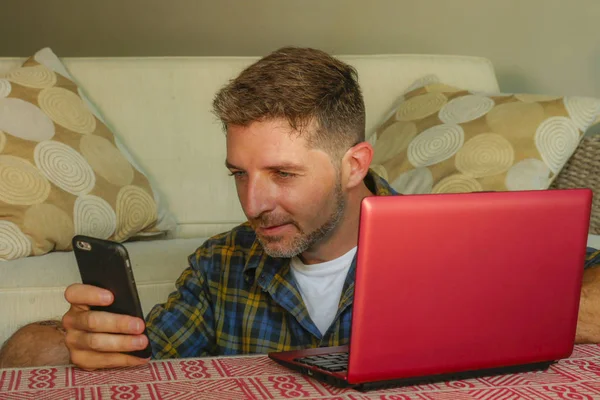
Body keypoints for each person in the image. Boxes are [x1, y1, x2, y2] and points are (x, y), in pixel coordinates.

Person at [1, 47, 600, 370]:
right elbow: (146, 355)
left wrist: (511, 309)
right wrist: (73, 342)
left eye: (284, 174)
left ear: (354, 165)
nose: (254, 203)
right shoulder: (220, 265)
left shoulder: (456, 244)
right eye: (240, 174)